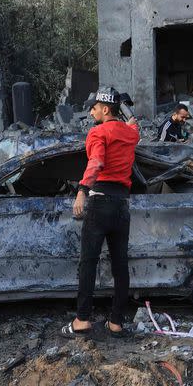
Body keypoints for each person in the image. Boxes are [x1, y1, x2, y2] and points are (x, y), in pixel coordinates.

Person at [62, 87, 139, 339]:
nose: (91, 112)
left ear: (105, 109)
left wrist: (82, 190)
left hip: (99, 203)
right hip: (121, 207)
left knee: (88, 263)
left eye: (93, 107)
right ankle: (116, 323)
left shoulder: (98, 132)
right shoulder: (130, 133)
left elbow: (96, 162)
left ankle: (82, 320)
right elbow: (135, 130)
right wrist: (131, 123)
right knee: (120, 266)